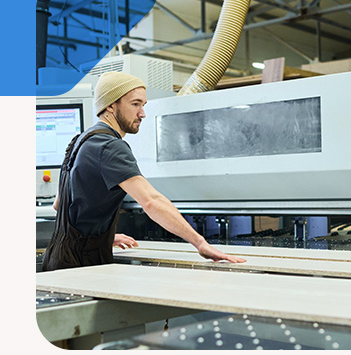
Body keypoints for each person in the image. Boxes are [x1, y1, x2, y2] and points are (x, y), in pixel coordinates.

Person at [42, 71, 246, 271]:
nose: (142, 113)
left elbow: (59, 205)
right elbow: (151, 201)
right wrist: (200, 243)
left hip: (59, 259)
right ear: (111, 106)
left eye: (143, 105)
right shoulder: (110, 146)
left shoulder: (80, 141)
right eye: (135, 104)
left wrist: (102, 237)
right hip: (82, 265)